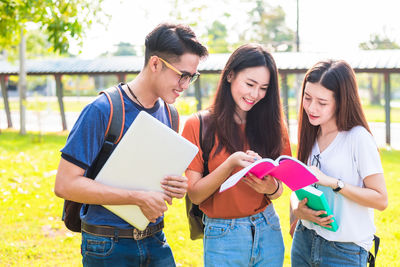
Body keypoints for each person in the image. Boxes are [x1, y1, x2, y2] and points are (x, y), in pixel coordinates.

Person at [54, 23, 208, 267]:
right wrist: (136, 197)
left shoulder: (171, 114)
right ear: (155, 63)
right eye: (182, 75)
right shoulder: (103, 110)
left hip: (155, 238)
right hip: (106, 245)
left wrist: (175, 186)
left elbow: (149, 177)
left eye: (192, 77)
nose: (185, 85)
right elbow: (65, 184)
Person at [182, 44, 291, 267]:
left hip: (267, 228)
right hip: (223, 236)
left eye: (263, 88)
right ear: (230, 75)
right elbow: (195, 194)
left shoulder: (273, 126)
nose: (255, 94)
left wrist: (269, 187)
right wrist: (231, 163)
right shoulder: (198, 125)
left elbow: (279, 189)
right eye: (249, 84)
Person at [290, 60, 388, 266]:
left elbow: (381, 200)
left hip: (344, 251)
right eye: (307, 98)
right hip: (304, 240)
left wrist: (335, 183)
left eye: (322, 102)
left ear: (341, 101)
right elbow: (298, 188)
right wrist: (296, 210)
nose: (311, 108)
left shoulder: (357, 138)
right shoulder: (311, 132)